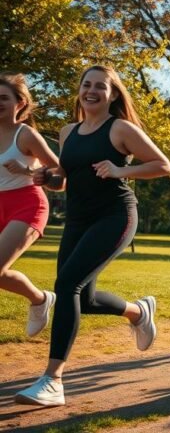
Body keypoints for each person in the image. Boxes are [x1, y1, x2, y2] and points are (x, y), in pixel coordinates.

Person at [15, 66, 170, 407]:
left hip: (115, 216)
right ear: (80, 91)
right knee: (83, 299)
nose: (92, 91)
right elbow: (66, 179)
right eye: (87, 84)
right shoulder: (68, 131)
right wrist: (47, 178)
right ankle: (138, 312)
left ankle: (53, 379)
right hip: (78, 219)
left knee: (66, 285)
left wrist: (121, 170)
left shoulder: (120, 129)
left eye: (100, 86)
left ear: (113, 94)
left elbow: (163, 164)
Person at [0, 73, 60, 338]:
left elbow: (60, 172)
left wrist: (28, 171)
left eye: (4, 98)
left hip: (27, 203)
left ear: (20, 103)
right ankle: (40, 299)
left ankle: (39, 300)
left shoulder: (26, 135)